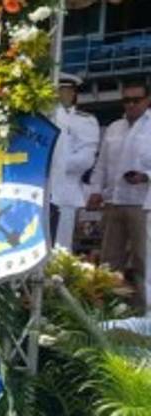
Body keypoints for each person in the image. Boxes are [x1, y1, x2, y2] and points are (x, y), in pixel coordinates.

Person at [89, 81, 151, 309]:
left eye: (136, 100)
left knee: (144, 260)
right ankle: (109, 310)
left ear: (147, 100)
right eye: (126, 100)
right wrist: (95, 190)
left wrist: (146, 176)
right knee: (109, 261)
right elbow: (101, 164)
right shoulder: (114, 128)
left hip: (143, 203)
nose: (131, 104)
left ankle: (145, 313)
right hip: (113, 201)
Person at [49, 73, 100, 251]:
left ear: (73, 93)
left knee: (61, 245)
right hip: (41, 187)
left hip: (66, 189)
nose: (59, 95)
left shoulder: (84, 120)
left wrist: (56, 164)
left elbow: (86, 159)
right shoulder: (42, 117)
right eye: (57, 90)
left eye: (64, 90)